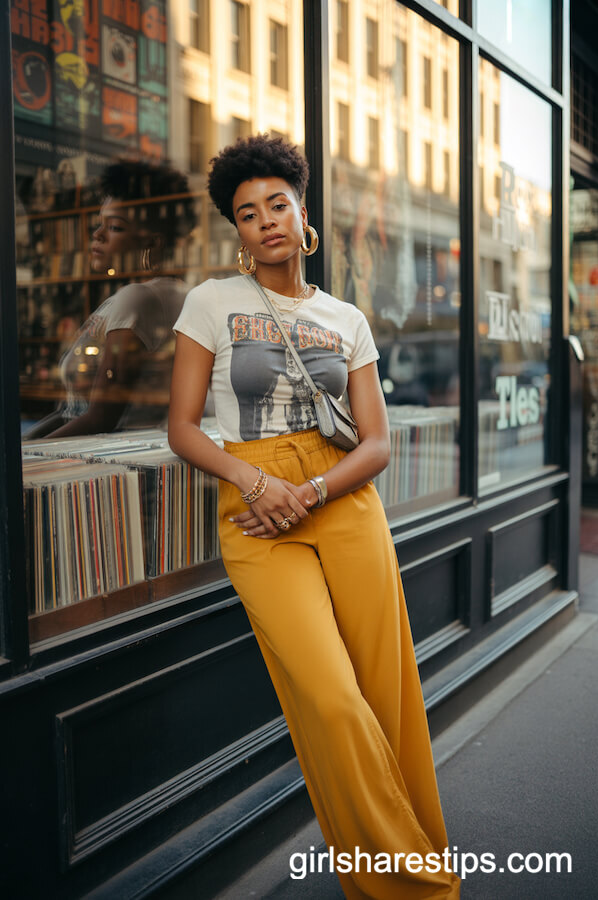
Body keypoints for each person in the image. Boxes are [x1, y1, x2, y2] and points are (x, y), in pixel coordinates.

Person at [168, 134, 460, 899]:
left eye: (277, 204)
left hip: (343, 503)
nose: (264, 220)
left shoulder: (347, 318)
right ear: (236, 231)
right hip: (258, 512)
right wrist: (254, 484)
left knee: (387, 694)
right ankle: (416, 884)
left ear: (304, 214)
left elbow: (377, 444)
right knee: (331, 701)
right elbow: (184, 427)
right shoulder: (210, 304)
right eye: (246, 212)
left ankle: (416, 850)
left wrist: (316, 492)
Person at [24, 158, 195, 439]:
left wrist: (26, 461)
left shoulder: (138, 298)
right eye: (99, 223)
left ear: (152, 243)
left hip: (103, 459)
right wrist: (24, 450)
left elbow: (99, 418)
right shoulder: (155, 294)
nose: (97, 234)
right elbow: (69, 412)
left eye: (114, 227)